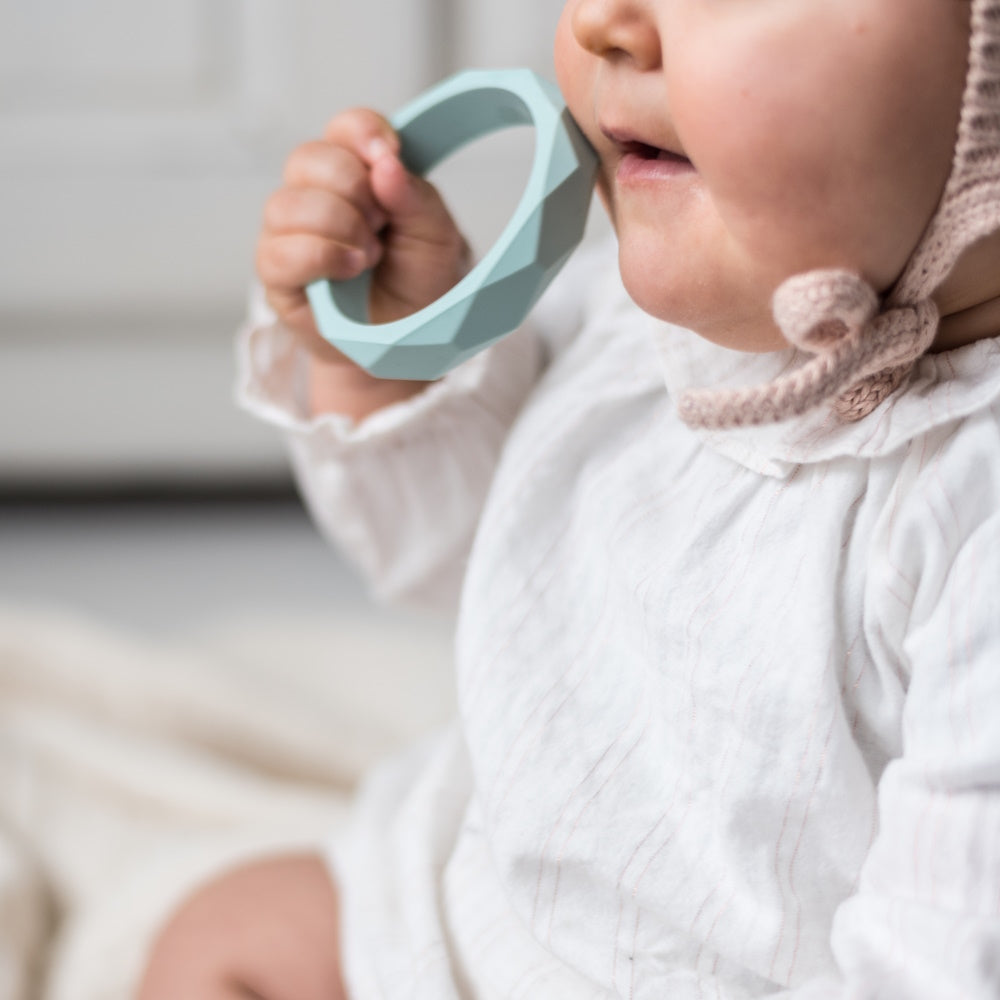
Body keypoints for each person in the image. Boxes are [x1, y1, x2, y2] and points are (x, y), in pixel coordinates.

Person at [138, 0, 1000, 997]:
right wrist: (394, 357)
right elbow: (465, 561)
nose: (602, 20)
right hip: (485, 909)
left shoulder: (968, 511)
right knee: (232, 933)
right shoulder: (658, 318)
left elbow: (947, 955)